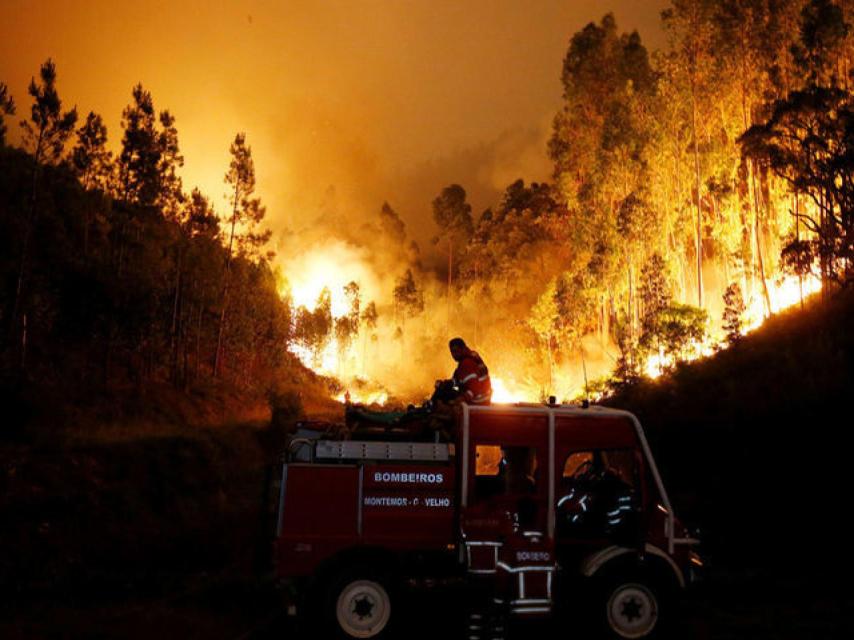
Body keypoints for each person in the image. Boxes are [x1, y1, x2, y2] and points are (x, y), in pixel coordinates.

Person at [433, 337, 492, 405]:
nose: (454, 355)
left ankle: (431, 410)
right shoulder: (470, 358)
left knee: (442, 394)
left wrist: (459, 400)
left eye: (456, 351)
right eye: (452, 352)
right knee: (443, 390)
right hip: (484, 399)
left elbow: (474, 389)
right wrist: (445, 384)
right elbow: (458, 380)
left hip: (477, 401)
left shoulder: (467, 364)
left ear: (463, 349)